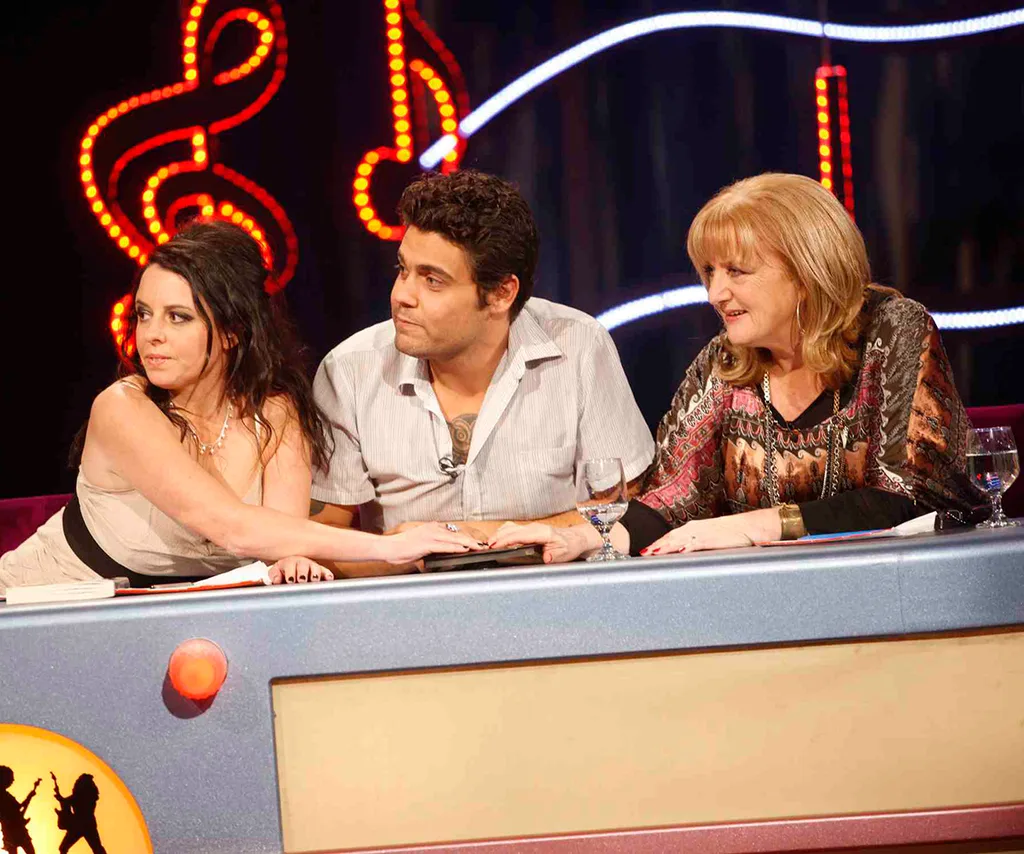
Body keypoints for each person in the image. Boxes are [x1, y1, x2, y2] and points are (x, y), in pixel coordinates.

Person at [490, 172, 977, 561]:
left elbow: (911, 493)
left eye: (737, 272)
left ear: (807, 271)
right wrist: (599, 540)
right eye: (709, 273)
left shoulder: (892, 332)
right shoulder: (725, 362)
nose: (716, 293)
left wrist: (753, 526)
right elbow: (673, 493)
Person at [0, 222, 479, 593]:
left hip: (172, 622)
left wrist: (292, 560)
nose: (152, 334)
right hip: (45, 607)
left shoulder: (275, 411)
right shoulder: (123, 407)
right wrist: (389, 547)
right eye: (144, 314)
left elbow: (282, 538)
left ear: (231, 332)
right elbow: (233, 528)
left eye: (178, 317)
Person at [310, 169, 654, 571]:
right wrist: (401, 551)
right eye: (402, 270)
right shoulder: (348, 371)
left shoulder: (579, 347)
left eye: (432, 280)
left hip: (556, 607)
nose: (402, 295)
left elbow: (621, 513)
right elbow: (322, 546)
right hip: (409, 617)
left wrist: (469, 534)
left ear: (500, 294)